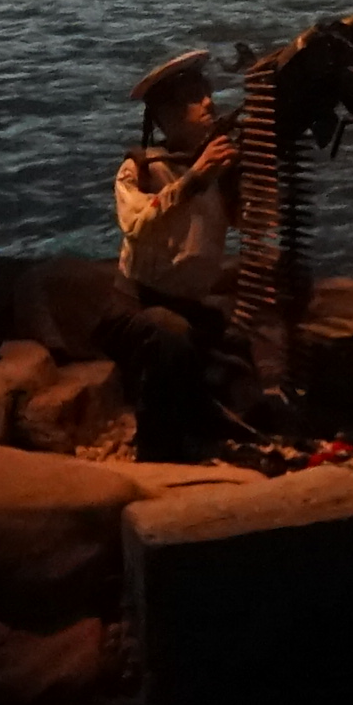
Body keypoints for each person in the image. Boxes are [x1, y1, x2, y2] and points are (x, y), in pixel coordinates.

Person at [105, 50, 244, 461]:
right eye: (193, 97)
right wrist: (195, 178)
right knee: (171, 336)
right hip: (136, 305)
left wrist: (245, 174)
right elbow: (137, 223)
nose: (209, 103)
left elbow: (254, 221)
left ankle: (216, 433)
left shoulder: (219, 170)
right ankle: (158, 451)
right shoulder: (142, 169)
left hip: (190, 304)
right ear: (166, 116)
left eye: (207, 92)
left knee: (236, 355)